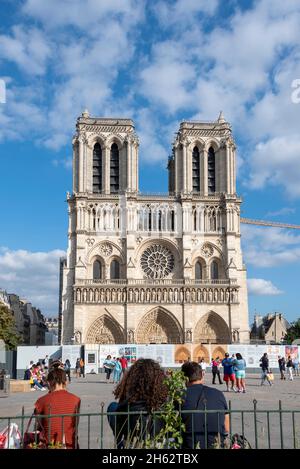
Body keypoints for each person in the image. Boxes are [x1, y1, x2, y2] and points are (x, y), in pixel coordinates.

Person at [107, 359, 167, 448]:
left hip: (131, 441)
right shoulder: (164, 404)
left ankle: (122, 443)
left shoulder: (128, 404)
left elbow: (119, 425)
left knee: (112, 407)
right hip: (157, 444)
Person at [181, 361, 230, 449]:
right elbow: (226, 428)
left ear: (185, 378)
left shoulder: (180, 396)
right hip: (216, 445)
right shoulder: (218, 394)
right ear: (202, 375)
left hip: (190, 445)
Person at [34, 368, 81, 449]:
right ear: (66, 382)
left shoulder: (41, 400)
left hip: (49, 444)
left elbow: (38, 425)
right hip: (70, 444)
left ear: (49, 383)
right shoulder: (76, 399)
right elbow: (75, 424)